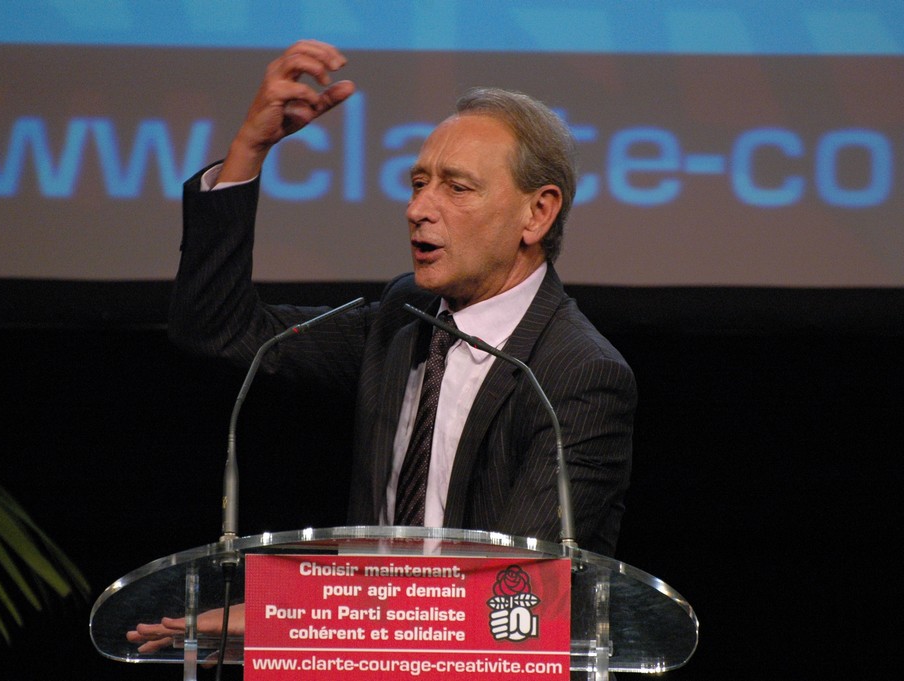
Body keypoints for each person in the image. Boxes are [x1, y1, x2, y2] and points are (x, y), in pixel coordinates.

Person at [130, 37, 635, 653]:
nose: (419, 209)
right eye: (419, 182)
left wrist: (288, 614)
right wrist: (249, 150)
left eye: (457, 188)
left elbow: (513, 598)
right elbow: (219, 328)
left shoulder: (578, 374)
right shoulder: (405, 318)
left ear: (537, 213)